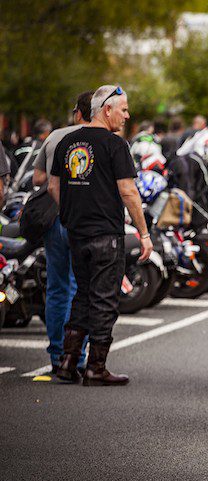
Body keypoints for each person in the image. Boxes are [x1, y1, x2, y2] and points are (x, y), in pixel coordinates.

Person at [47, 85, 152, 386]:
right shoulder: (115, 145)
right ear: (107, 110)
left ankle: (67, 363)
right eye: (124, 109)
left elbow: (54, 187)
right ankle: (96, 366)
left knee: (81, 294)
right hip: (106, 233)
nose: (127, 115)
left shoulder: (67, 141)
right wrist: (144, 233)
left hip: (75, 232)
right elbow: (128, 191)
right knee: (105, 299)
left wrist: (74, 213)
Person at [31, 90, 93, 376]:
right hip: (88, 220)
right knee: (86, 290)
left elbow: (38, 179)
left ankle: (58, 355)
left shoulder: (56, 136)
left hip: (55, 218)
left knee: (58, 288)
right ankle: (78, 356)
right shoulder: (107, 139)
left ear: (78, 112)